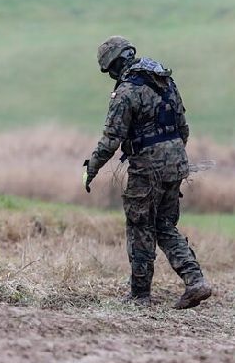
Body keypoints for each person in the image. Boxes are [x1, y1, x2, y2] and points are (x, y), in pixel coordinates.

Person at [82, 36, 212, 309]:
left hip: (147, 166)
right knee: (165, 225)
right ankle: (195, 281)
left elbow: (110, 139)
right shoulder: (166, 83)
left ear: (117, 64)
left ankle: (140, 295)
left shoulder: (127, 92)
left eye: (110, 71)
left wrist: (91, 168)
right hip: (176, 162)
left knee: (140, 225)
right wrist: (172, 157)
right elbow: (183, 127)